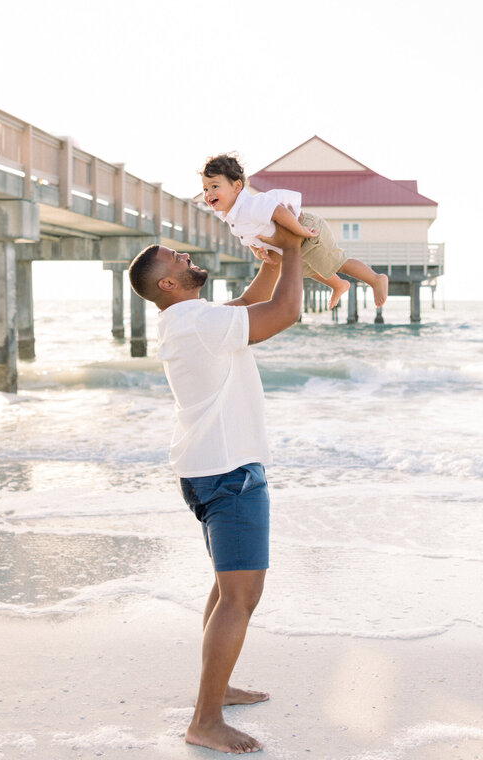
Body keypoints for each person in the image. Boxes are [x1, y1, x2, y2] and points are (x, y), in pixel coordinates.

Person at [127, 232, 304, 754]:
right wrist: (294, 250)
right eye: (176, 258)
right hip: (229, 472)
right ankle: (204, 721)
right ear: (168, 283)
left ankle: (217, 690)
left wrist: (271, 265)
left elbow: (250, 304)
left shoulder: (187, 320)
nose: (186, 256)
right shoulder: (198, 322)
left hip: (208, 470)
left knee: (228, 590)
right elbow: (286, 312)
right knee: (241, 597)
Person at [201, 153, 389, 311]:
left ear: (237, 187)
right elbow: (249, 237)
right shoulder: (231, 216)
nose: (208, 193)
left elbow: (280, 212)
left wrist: (302, 231)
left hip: (304, 229)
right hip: (289, 243)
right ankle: (338, 284)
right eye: (205, 188)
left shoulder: (250, 205)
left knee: (337, 263)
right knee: (310, 269)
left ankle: (375, 279)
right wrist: (257, 251)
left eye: (215, 186)